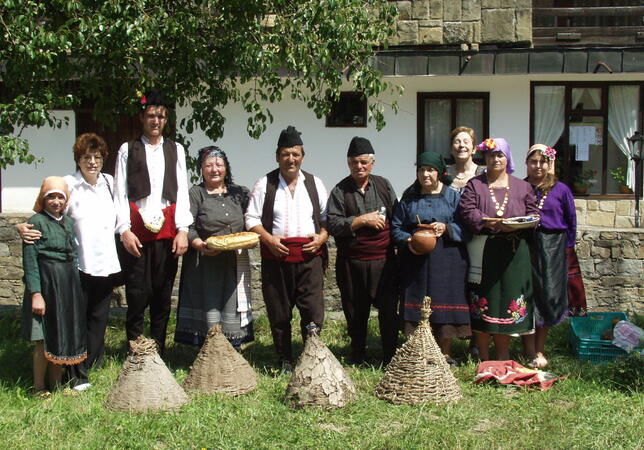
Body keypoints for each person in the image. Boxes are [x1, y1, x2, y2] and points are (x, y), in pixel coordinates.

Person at [16, 133, 122, 391]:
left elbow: (121, 217)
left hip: (106, 262)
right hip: (77, 265)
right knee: (75, 322)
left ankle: (90, 367)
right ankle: (73, 372)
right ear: (78, 159)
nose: (93, 162)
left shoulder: (109, 182)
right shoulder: (68, 183)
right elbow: (42, 209)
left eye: (97, 157)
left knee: (98, 320)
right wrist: (22, 226)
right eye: (87, 157)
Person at [113, 88, 192, 354]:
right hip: (137, 232)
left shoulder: (176, 150)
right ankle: (135, 347)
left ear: (166, 119)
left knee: (162, 291)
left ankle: (158, 349)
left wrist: (183, 229)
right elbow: (120, 192)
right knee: (137, 292)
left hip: (167, 230)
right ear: (142, 118)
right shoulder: (128, 149)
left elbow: (181, 189)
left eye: (160, 116)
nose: (155, 121)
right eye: (150, 116)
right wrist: (123, 229)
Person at [245, 125, 328, 371]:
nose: (290, 159)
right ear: (277, 156)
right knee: (279, 312)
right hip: (276, 258)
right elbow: (251, 219)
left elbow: (326, 219)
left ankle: (310, 357)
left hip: (309, 257)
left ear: (302, 156)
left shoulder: (314, 184)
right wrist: (268, 239)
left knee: (313, 311)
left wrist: (322, 237)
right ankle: (284, 359)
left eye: (295, 154)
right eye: (285, 154)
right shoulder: (265, 184)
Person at [458, 138, 539, 361]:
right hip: (485, 251)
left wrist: (526, 221)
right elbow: (466, 210)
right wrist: (485, 221)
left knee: (510, 301)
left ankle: (503, 355)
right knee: (486, 300)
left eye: (500, 155)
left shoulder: (523, 187)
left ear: (507, 158)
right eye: (491, 155)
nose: (495, 159)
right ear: (485, 158)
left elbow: (533, 213)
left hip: (515, 251)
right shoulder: (476, 185)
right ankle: (484, 357)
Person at [391, 152, 469, 365]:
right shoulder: (409, 197)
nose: (425, 174)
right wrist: (408, 241)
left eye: (430, 170)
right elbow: (396, 227)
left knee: (444, 301)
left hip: (448, 259)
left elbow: (467, 226)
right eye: (421, 170)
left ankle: (444, 353)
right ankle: (419, 352)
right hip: (415, 259)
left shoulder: (453, 196)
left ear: (439, 173)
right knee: (417, 302)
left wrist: (447, 227)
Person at [327, 137, 399, 365]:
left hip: (384, 261)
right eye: (354, 162)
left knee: (388, 311)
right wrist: (361, 220)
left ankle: (390, 355)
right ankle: (358, 354)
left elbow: (396, 216)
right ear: (348, 163)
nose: (359, 167)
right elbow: (333, 225)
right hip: (352, 262)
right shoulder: (340, 190)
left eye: (363, 162)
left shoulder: (384, 185)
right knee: (355, 310)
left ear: (372, 163)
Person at [175, 146, 253, 349]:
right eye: (208, 165)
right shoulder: (196, 194)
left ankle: (232, 348)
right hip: (204, 262)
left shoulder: (240, 193)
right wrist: (199, 244)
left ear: (226, 167)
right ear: (201, 168)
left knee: (232, 302)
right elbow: (187, 225)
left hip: (234, 260)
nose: (214, 169)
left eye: (219, 164)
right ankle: (208, 350)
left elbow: (252, 219)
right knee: (208, 301)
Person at [22, 177, 87, 396]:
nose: (56, 201)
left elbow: (73, 255)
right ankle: (39, 387)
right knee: (43, 339)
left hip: (66, 285)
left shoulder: (68, 222)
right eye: (52, 196)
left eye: (61, 197)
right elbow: (30, 261)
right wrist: (36, 294)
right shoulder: (35, 222)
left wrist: (75, 288)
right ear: (43, 198)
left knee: (61, 335)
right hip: (46, 285)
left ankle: (57, 385)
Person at [522, 144, 576, 368]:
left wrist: (567, 248)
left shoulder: (561, 189)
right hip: (526, 244)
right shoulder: (520, 187)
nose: (538, 166)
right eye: (533, 161)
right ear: (527, 163)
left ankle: (539, 349)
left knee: (547, 296)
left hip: (553, 247)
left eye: (542, 161)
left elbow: (571, 221)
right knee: (526, 296)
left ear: (549, 164)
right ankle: (527, 349)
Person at [446, 126, 486, 191]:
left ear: (474, 149)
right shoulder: (444, 174)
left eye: (466, 142)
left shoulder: (484, 174)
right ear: (451, 149)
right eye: (457, 142)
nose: (461, 145)